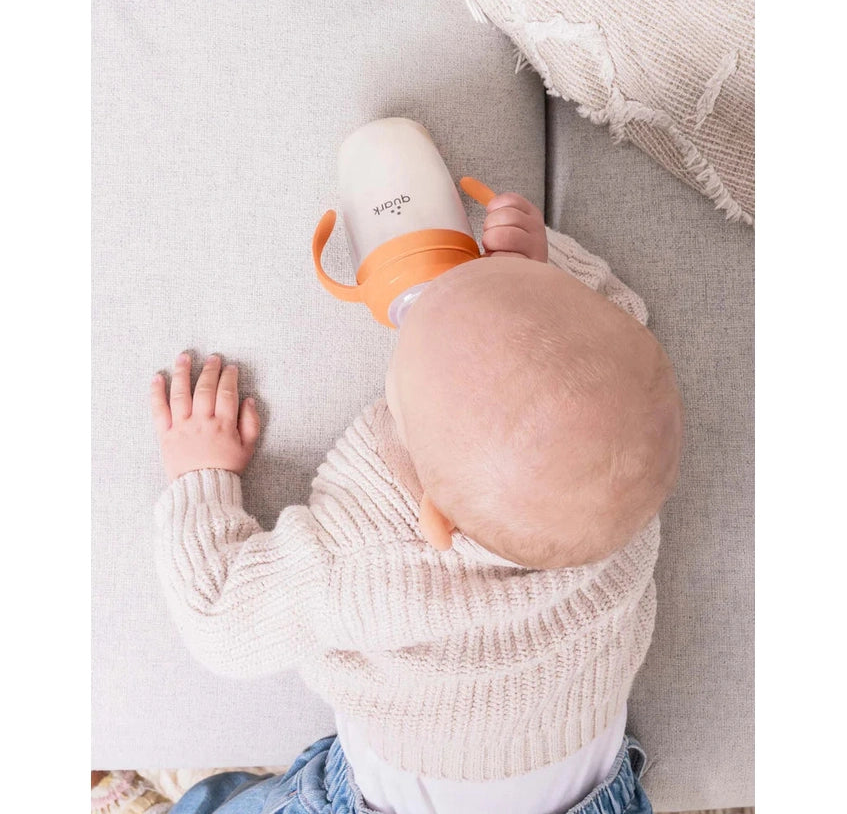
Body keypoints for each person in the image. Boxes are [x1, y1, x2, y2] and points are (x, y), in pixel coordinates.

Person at [150, 192, 682, 814]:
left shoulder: (372, 552)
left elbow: (221, 619)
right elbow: (614, 324)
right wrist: (531, 278)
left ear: (433, 516)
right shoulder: (622, 475)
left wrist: (200, 472)